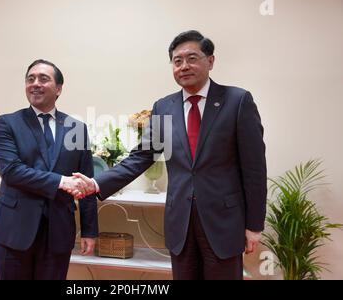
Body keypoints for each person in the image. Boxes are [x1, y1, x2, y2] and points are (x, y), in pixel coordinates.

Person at [72, 30, 267, 280]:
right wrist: (97, 183)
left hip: (224, 222)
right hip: (181, 224)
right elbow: (141, 157)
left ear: (210, 61)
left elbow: (254, 169)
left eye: (192, 58)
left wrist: (254, 225)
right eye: (177, 61)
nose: (184, 66)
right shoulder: (164, 107)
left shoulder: (237, 101)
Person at [0, 59, 98, 280]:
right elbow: (11, 170)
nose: (35, 83)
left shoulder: (76, 128)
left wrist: (89, 230)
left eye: (43, 79)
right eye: (30, 79)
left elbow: (85, 182)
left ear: (58, 89)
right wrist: (61, 181)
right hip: (14, 230)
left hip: (58, 231)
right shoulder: (8, 123)